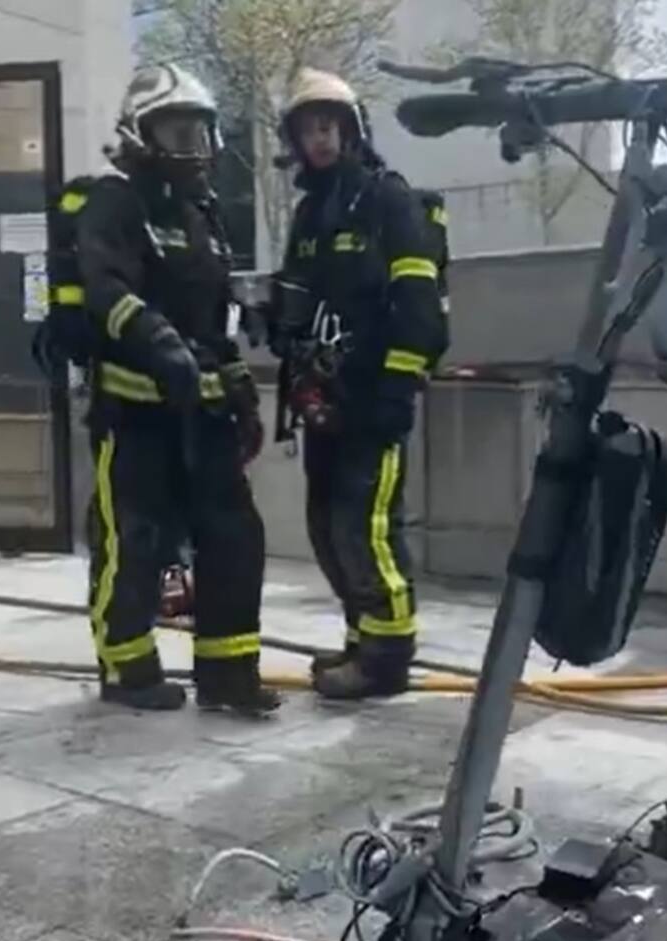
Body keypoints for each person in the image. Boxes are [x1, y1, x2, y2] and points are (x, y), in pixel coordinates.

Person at [75, 63, 279, 715]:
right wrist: (157, 340)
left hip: (205, 417)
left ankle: (228, 674)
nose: (193, 146)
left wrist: (240, 388)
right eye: (177, 132)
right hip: (135, 417)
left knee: (234, 538)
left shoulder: (203, 214)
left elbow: (217, 318)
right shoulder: (114, 203)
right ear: (141, 135)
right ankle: (128, 669)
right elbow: (104, 287)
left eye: (200, 131)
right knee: (133, 541)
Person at [273, 69, 448, 700]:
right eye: (308, 130)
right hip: (324, 401)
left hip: (374, 400)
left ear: (351, 131)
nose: (319, 139)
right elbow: (295, 300)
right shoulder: (310, 213)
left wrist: (395, 392)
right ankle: (361, 639)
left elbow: (421, 306)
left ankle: (387, 659)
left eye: (329, 126)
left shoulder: (388, 200)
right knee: (327, 528)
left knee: (365, 527)